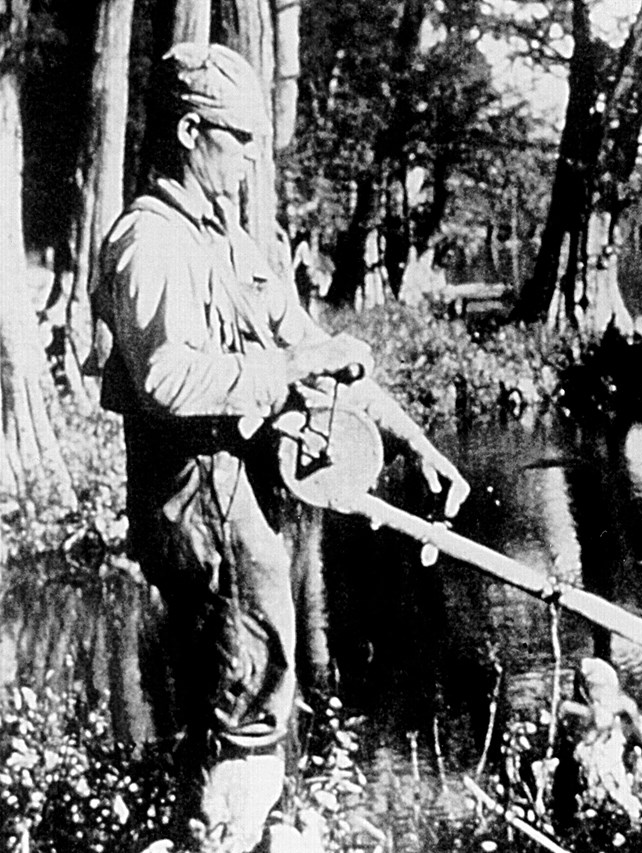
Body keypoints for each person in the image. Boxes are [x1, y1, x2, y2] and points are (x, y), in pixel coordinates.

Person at [90, 42, 469, 852]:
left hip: (246, 517)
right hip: (203, 522)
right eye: (243, 140)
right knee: (244, 710)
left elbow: (309, 344)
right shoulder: (149, 240)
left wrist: (412, 441)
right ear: (192, 131)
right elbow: (165, 376)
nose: (255, 160)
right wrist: (286, 369)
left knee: (250, 703)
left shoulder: (229, 241)